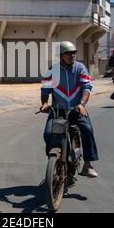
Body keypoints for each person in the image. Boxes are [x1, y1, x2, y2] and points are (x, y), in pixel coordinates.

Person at [39, 41, 99, 178]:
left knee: (87, 129)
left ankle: (88, 164)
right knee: (48, 133)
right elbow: (45, 90)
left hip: (76, 110)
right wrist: (44, 103)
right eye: (68, 53)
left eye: (74, 53)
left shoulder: (80, 68)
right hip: (58, 112)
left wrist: (82, 104)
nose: (72, 55)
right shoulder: (53, 70)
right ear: (61, 55)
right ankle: (55, 158)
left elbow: (86, 88)